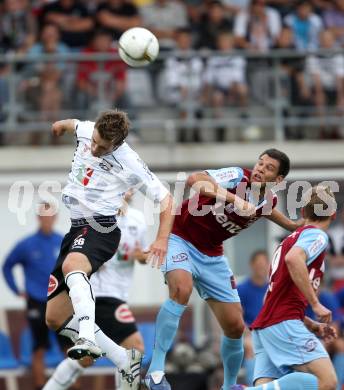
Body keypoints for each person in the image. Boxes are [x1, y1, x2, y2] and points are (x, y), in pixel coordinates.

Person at [145, 148, 304, 390]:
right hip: (180, 237)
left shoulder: (267, 200)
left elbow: (268, 211)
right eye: (260, 163)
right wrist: (234, 199)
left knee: (235, 326)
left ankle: (229, 386)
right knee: (182, 290)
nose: (261, 169)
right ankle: (156, 370)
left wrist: (295, 225)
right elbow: (194, 181)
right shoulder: (237, 176)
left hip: (212, 255)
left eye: (269, 168)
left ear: (279, 180)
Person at [44, 109, 174, 389]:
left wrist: (161, 239)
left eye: (102, 148)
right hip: (76, 228)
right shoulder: (88, 130)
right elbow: (73, 124)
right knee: (54, 317)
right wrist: (59, 126)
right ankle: (122, 359)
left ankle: (88, 337)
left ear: (117, 145)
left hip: (100, 227)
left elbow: (167, 200)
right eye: (93, 141)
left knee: (72, 267)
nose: (94, 148)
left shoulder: (130, 162)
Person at [231, 185, 338, 390]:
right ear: (333, 214)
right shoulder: (316, 236)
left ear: (303, 212)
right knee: (328, 381)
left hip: (266, 326)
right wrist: (315, 305)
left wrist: (312, 325)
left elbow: (269, 298)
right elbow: (294, 259)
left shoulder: (290, 239)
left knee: (272, 386)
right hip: (283, 323)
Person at [43, 190, 148, 390]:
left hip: (118, 292)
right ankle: (125, 366)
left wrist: (142, 255)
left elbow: (143, 253)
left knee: (84, 360)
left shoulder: (138, 219)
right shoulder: (96, 214)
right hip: (98, 293)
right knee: (134, 347)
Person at [2, 201, 63, 390]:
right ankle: (39, 386)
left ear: (55, 218)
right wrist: (16, 290)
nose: (47, 220)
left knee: (69, 347)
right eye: (43, 216)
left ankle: (73, 385)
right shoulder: (27, 244)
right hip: (36, 301)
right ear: (38, 218)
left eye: (50, 216)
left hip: (60, 301)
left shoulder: (62, 241)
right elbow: (7, 266)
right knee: (39, 346)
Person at [237, 250, 269, 385]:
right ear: (251, 265)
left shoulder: (273, 289)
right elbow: (237, 318)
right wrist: (249, 333)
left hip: (271, 333)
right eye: (258, 264)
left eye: (264, 264)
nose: (261, 267)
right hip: (248, 334)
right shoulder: (241, 289)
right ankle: (253, 386)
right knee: (251, 347)